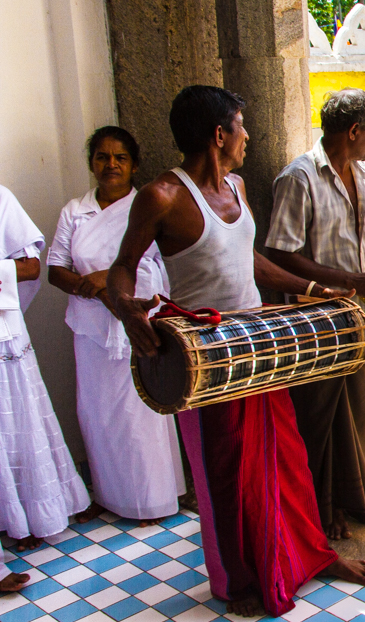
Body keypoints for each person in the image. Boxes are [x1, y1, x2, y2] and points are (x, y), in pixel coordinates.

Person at [107, 85, 365, 618]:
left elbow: (248, 261)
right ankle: (240, 580)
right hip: (204, 358)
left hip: (256, 345)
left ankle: (308, 555)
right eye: (241, 125)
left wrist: (320, 290)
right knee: (224, 474)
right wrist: (125, 308)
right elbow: (122, 267)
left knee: (285, 457)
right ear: (219, 135)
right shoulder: (162, 196)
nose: (248, 136)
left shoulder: (238, 185)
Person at [266, 88, 365, 541]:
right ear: (353, 131)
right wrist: (351, 279)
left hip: (357, 316)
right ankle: (324, 508)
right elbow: (280, 254)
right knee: (323, 418)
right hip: (318, 321)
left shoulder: (361, 170)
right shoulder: (299, 178)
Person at [47, 126, 185, 526]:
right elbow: (56, 270)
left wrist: (109, 278)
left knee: (140, 412)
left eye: (120, 158)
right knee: (98, 412)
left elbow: (160, 266)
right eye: (102, 157)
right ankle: (109, 495)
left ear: (134, 164)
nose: (111, 165)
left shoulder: (148, 205)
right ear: (92, 163)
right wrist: (91, 287)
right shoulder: (75, 211)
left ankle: (152, 500)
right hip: (90, 330)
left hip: (138, 324)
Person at [0, 185, 91, 551]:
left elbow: (31, 266)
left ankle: (30, 515)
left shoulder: (1, 198)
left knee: (17, 421)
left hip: (4, 334)